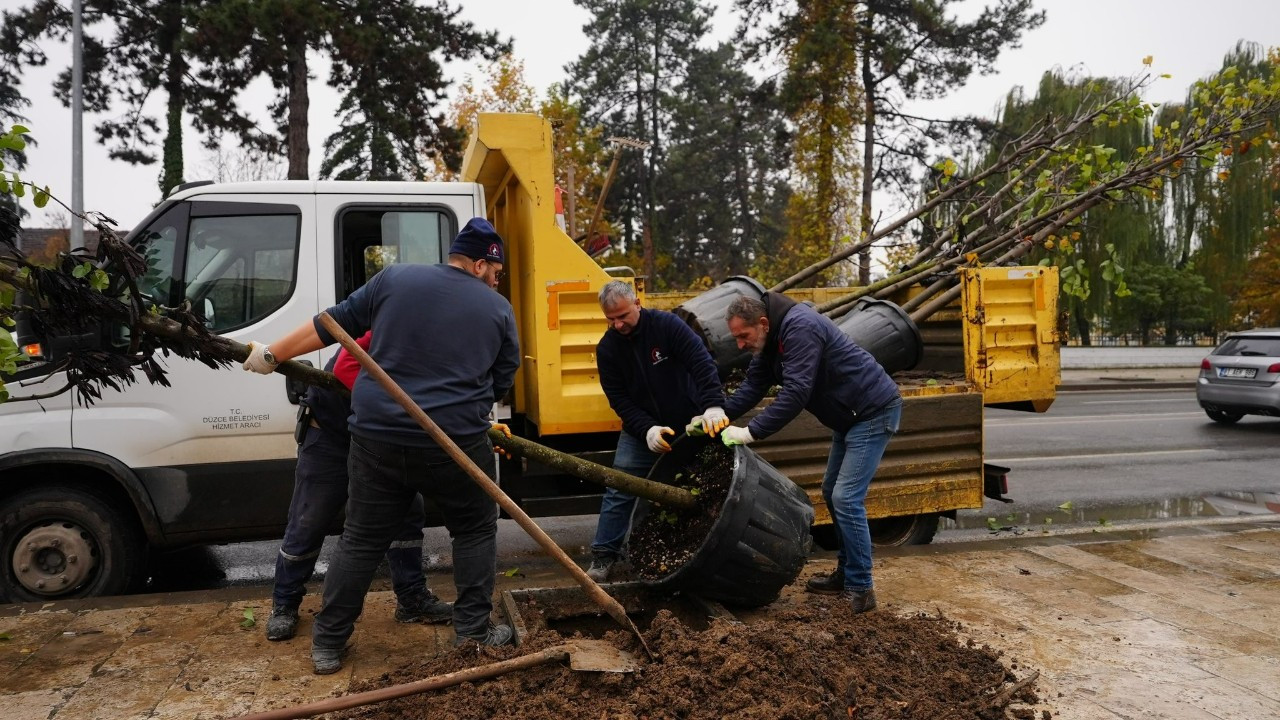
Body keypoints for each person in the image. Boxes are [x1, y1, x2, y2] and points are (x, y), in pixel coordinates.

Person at [242, 217, 520, 674]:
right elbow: (502, 380)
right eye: (496, 271)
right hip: (452, 440)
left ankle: (328, 643)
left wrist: (273, 354)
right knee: (473, 528)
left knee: (362, 538)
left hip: (377, 438)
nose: (496, 279)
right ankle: (472, 633)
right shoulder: (498, 310)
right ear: (478, 263)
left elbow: (329, 325)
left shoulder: (395, 278)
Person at [719, 293, 902, 614]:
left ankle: (862, 590)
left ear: (762, 324)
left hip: (873, 411)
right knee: (834, 493)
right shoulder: (771, 338)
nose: (740, 345)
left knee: (846, 498)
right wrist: (717, 415)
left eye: (742, 336)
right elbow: (753, 386)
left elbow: (797, 390)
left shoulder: (799, 327)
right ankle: (847, 574)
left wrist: (751, 432)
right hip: (851, 417)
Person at [265, 330, 452, 642]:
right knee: (310, 519)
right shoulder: (393, 320)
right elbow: (345, 369)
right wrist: (399, 408)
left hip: (381, 433)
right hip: (330, 432)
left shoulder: (441, 338)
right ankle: (284, 603)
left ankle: (412, 599)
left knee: (405, 513)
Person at [588, 279, 728, 581]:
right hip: (642, 431)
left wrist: (713, 406)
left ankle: (703, 552)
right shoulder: (608, 349)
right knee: (620, 485)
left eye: (623, 315)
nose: (618, 324)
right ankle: (604, 555)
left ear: (637, 303)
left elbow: (701, 364)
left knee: (701, 487)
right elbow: (620, 400)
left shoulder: (668, 326)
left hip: (689, 425)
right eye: (610, 319)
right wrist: (647, 430)